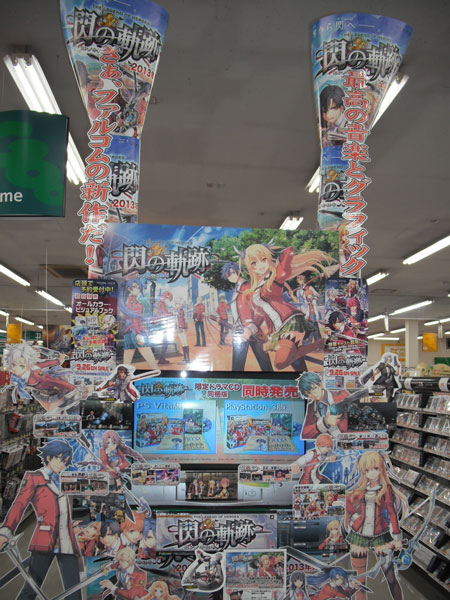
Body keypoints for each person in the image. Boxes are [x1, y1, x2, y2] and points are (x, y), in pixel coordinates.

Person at [0, 439, 81, 600]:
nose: (63, 465)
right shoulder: (34, 478)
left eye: (65, 461)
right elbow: (19, 504)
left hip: (67, 542)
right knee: (31, 590)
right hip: (45, 540)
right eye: (60, 459)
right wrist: (5, 531)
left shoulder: (64, 479)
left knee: (74, 592)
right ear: (49, 457)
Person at [241, 244, 337, 370]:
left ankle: (319, 344)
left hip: (289, 322)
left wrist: (281, 253)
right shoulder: (258, 286)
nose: (260, 265)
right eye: (254, 263)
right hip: (278, 329)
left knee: (280, 363)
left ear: (269, 259)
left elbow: (288, 254)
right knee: (298, 366)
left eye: (263, 260)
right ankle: (306, 367)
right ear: (250, 267)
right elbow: (261, 311)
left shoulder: (276, 277)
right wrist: (250, 328)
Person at [345, 452, 408, 600]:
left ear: (381, 469)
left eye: (375, 468)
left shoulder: (386, 489)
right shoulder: (361, 489)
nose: (371, 473)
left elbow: (392, 513)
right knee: (360, 581)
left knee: (390, 576)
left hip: (380, 534)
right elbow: (348, 502)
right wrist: (355, 518)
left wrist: (397, 537)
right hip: (359, 535)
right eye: (367, 470)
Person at [221, 261, 273, 371]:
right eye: (227, 275)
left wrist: (251, 328)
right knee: (237, 368)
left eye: (232, 273)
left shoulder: (249, 287)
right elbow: (237, 314)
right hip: (239, 334)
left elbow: (261, 309)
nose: (230, 277)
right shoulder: (236, 290)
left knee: (266, 367)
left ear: (239, 271)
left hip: (254, 332)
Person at [299, 372, 349, 439]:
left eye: (314, 388)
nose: (313, 394)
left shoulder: (340, 395)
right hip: (331, 442)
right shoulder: (311, 407)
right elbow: (305, 434)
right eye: (308, 393)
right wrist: (324, 422)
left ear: (320, 385)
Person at [122, 279, 157, 369]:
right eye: (134, 287)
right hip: (135, 331)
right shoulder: (132, 301)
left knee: (127, 362)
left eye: (138, 287)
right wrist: (138, 333)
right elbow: (134, 318)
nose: (137, 289)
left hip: (128, 332)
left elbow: (125, 318)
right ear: (129, 288)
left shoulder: (127, 301)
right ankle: (158, 374)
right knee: (151, 360)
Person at [173, 296, 190, 363]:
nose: (176, 305)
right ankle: (186, 358)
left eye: (177, 304)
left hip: (181, 329)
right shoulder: (178, 312)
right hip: (180, 328)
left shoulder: (180, 312)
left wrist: (184, 328)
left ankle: (187, 359)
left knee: (184, 343)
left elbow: (184, 320)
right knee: (183, 343)